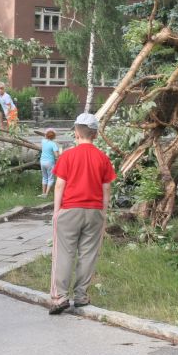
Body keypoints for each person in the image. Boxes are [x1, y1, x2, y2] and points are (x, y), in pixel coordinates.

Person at [49, 113, 116, 315]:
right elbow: (106, 189)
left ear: (76, 132)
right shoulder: (103, 158)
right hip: (94, 211)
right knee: (88, 254)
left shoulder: (68, 156)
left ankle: (60, 297)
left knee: (64, 253)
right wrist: (103, 214)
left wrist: (56, 212)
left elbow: (60, 185)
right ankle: (81, 296)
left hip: (70, 210)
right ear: (95, 135)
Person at [39, 128, 60, 198]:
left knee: (44, 177)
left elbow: (45, 136)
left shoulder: (43, 141)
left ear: (46, 135)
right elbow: (57, 155)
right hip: (50, 162)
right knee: (50, 178)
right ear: (54, 137)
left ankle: (43, 193)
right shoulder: (53, 144)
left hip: (42, 162)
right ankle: (46, 194)